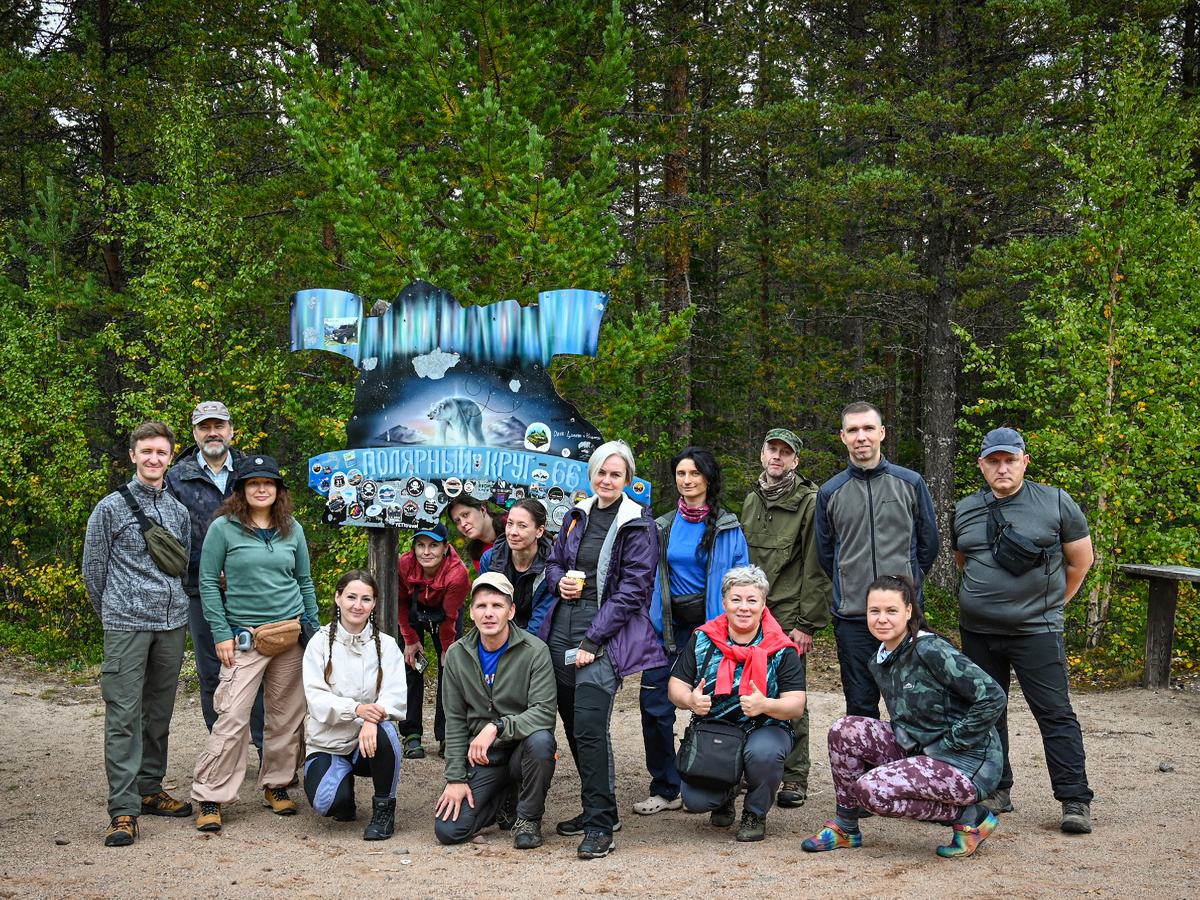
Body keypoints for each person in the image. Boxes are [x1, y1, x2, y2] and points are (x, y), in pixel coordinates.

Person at [952, 427, 1096, 833]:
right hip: (978, 632)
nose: (1002, 468)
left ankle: (1074, 798)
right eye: (993, 461)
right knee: (986, 712)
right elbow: (965, 561)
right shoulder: (964, 509)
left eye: (1009, 460)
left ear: (1024, 461)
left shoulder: (1054, 501)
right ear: (981, 465)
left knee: (1054, 713)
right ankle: (998, 788)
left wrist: (1049, 606)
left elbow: (1081, 562)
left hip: (1037, 632)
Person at [802, 575, 1006, 859]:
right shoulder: (882, 656)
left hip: (968, 763)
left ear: (909, 612)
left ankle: (971, 817)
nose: (882, 619)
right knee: (844, 729)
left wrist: (953, 742)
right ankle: (846, 828)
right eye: (875, 611)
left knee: (871, 790)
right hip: (925, 752)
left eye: (891, 611)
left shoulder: (930, 649)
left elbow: (993, 696)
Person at [539, 439, 665, 859]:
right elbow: (553, 561)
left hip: (605, 636)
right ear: (591, 475)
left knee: (591, 726)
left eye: (616, 474)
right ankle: (603, 810)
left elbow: (633, 590)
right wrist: (559, 580)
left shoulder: (639, 524)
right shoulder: (576, 515)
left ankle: (598, 827)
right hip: (560, 629)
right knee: (575, 726)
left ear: (628, 480)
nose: (607, 479)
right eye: (601, 472)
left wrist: (594, 640)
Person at [190, 455, 320, 832]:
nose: (261, 489)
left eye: (269, 483)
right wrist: (221, 633)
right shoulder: (223, 529)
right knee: (231, 716)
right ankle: (210, 795)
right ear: (242, 490)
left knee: (285, 717)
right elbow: (209, 583)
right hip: (245, 637)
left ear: (278, 489)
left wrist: (313, 630)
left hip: (290, 634)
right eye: (253, 483)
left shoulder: (291, 528)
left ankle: (277, 785)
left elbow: (305, 581)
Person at [83, 421, 193, 846]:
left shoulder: (178, 511)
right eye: (146, 451)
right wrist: (113, 613)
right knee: (123, 717)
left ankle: (149, 788)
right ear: (133, 455)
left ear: (170, 457)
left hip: (170, 626)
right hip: (126, 626)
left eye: (162, 452)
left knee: (158, 715)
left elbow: (180, 568)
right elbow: (94, 571)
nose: (154, 459)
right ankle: (123, 810)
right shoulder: (109, 508)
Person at [636, 447, 748, 817]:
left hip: (713, 632)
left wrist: (733, 630)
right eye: (681, 473)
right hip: (666, 630)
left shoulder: (728, 526)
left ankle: (718, 787)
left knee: (719, 706)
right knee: (655, 708)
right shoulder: (663, 524)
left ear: (709, 478)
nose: (687, 480)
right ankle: (666, 788)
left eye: (694, 474)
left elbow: (740, 580)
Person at [816, 401, 939, 718]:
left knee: (912, 707)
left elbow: (928, 544)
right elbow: (826, 553)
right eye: (853, 430)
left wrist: (908, 586)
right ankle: (866, 770)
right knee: (860, 706)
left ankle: (910, 769)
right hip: (853, 618)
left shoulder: (910, 483)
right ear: (843, 437)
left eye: (868, 428)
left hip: (904, 618)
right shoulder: (831, 493)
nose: (861, 437)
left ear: (881, 433)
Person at [668, 565, 807, 843]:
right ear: (724, 602)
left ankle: (755, 813)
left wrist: (765, 704)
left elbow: (796, 705)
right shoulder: (703, 638)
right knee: (695, 801)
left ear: (763, 603)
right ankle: (724, 795)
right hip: (716, 728)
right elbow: (675, 687)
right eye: (736, 599)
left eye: (752, 600)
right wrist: (690, 700)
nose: (744, 607)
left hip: (764, 727)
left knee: (764, 753)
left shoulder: (779, 646)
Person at [740, 428, 831, 809]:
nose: (777, 457)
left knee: (790, 695)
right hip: (748, 615)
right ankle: (752, 769)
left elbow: (818, 566)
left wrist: (807, 623)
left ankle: (795, 777)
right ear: (762, 455)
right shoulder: (751, 500)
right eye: (771, 449)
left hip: (789, 617)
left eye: (785, 453)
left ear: (795, 461)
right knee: (746, 689)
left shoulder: (810, 502)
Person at [165, 400, 263, 750]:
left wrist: (238, 568)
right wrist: (207, 568)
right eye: (204, 427)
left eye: (218, 425)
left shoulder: (251, 473)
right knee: (212, 671)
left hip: (252, 589)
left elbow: (270, 526)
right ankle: (224, 747)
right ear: (194, 433)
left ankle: (265, 747)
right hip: (198, 590)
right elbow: (170, 541)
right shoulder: (176, 477)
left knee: (257, 665)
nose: (212, 432)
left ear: (231, 430)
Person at [435, 573, 558, 849]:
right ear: (472, 612)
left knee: (542, 741)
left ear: (511, 611)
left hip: (520, 750)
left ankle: (528, 818)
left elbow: (544, 713)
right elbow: (454, 720)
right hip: (483, 757)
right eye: (481, 606)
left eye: (497, 606)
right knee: (449, 831)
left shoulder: (534, 651)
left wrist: (498, 726)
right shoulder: (457, 654)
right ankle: (504, 798)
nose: (488, 614)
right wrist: (455, 778)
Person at [303, 570, 406, 841]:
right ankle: (343, 791)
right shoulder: (318, 644)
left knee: (387, 732)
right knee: (328, 803)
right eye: (351, 597)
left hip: (367, 744)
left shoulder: (387, 645)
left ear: (374, 604)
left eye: (366, 599)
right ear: (338, 598)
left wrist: (371, 719)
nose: (357, 605)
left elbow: (395, 696)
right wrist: (357, 710)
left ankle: (383, 810)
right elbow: (316, 699)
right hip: (328, 743)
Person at [397, 522, 471, 760]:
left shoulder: (457, 574)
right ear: (414, 547)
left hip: (446, 615)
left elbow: (451, 615)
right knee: (411, 666)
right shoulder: (404, 564)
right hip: (413, 611)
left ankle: (447, 734)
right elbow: (399, 602)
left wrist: (448, 648)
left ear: (445, 547)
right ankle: (411, 734)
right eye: (420, 545)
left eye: (433, 545)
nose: (426, 552)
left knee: (449, 670)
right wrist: (410, 638)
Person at [480, 498, 555, 633]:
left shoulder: (552, 565)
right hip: (498, 632)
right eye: (510, 524)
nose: (513, 532)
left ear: (539, 531)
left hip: (537, 638)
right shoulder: (490, 559)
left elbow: (541, 619)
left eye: (522, 526)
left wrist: (519, 649)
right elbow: (487, 608)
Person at [447, 495, 506, 572]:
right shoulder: (476, 552)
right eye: (457, 521)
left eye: (465, 514)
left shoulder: (511, 523)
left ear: (482, 509)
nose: (463, 524)